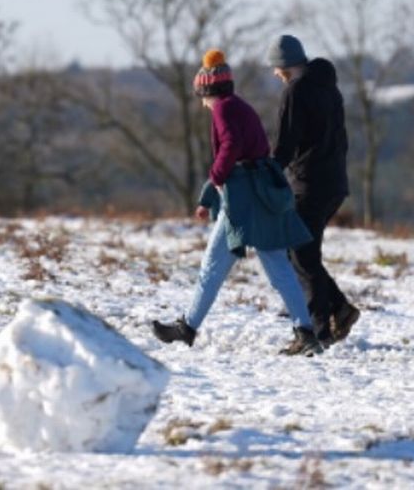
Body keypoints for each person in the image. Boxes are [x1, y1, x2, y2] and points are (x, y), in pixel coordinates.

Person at [152, 49, 324, 357]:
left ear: (208, 89)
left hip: (243, 201)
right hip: (259, 192)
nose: (202, 102)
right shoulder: (239, 106)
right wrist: (213, 189)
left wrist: (216, 176)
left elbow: (230, 148)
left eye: (201, 95)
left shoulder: (222, 109)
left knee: (212, 267)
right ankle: (306, 332)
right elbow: (249, 151)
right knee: (278, 268)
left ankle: (187, 328)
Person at [266, 34, 360, 352]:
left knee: (301, 255)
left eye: (275, 69)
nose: (275, 75)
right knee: (304, 253)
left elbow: (285, 143)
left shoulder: (296, 90)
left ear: (284, 66)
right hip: (334, 182)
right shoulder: (329, 88)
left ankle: (321, 330)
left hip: (309, 183)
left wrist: (268, 174)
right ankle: (338, 311)